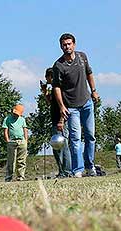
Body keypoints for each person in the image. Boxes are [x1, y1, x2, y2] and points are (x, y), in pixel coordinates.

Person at [52, 33, 100, 177]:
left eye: (69, 44)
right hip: (71, 107)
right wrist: (61, 106)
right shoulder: (58, 65)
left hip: (87, 103)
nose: (67, 47)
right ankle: (77, 170)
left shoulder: (82, 57)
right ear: (61, 46)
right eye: (64, 45)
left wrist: (94, 91)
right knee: (75, 139)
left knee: (90, 136)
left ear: (74, 44)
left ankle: (90, 166)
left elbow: (89, 74)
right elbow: (56, 88)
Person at [41, 67, 71, 178]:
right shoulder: (53, 89)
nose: (46, 79)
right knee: (57, 148)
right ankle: (63, 171)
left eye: (46, 77)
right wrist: (45, 92)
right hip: (55, 121)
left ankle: (66, 172)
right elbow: (50, 103)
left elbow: (64, 106)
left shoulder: (59, 89)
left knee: (61, 147)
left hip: (60, 122)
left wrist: (61, 121)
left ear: (51, 76)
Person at [2, 104, 28, 182]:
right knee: (11, 161)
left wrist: (26, 140)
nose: (16, 115)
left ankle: (21, 177)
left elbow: (25, 129)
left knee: (22, 161)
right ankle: (9, 177)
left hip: (22, 141)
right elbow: (5, 130)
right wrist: (7, 140)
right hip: (12, 142)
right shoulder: (7, 119)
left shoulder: (22, 119)